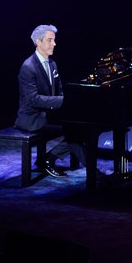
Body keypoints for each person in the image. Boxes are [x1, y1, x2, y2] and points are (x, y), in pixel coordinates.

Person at [14, 24, 86, 177]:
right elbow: (33, 99)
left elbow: (59, 90)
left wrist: (70, 100)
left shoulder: (52, 64)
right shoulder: (28, 67)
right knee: (75, 132)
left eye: (54, 40)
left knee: (81, 129)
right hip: (32, 119)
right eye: (50, 40)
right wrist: (63, 101)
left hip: (50, 116)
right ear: (38, 42)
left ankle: (48, 159)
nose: (54, 43)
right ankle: (49, 160)